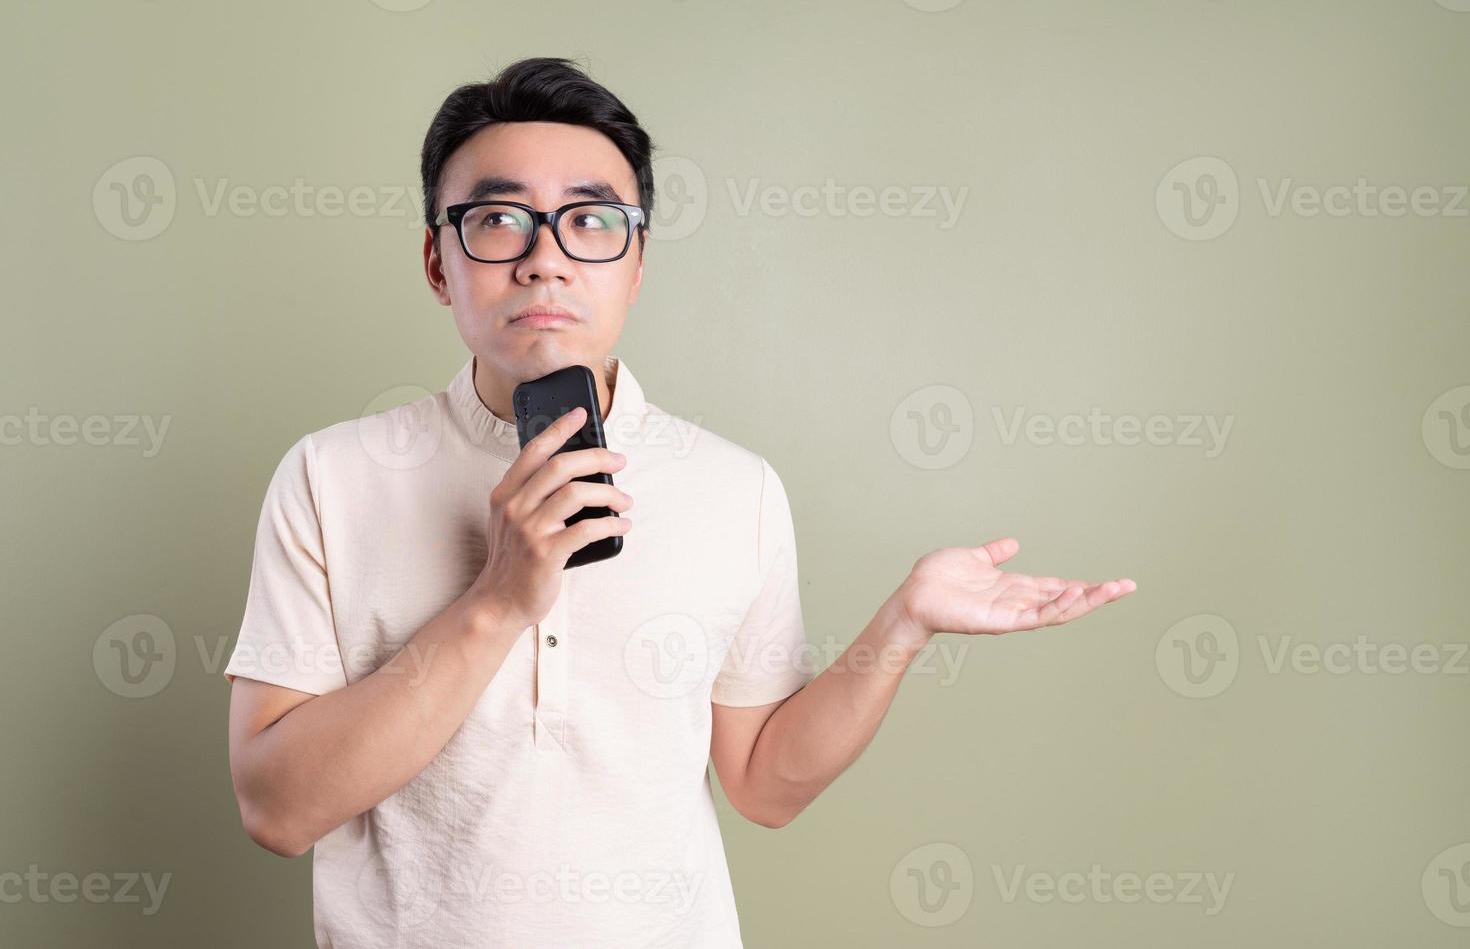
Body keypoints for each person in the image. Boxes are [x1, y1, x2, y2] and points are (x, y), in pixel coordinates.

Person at [223, 56, 1136, 948]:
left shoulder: (736, 490)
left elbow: (764, 786)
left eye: (590, 221)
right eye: (499, 220)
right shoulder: (331, 478)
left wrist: (900, 627)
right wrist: (497, 600)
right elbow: (277, 807)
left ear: (637, 261)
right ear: (437, 261)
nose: (545, 261)